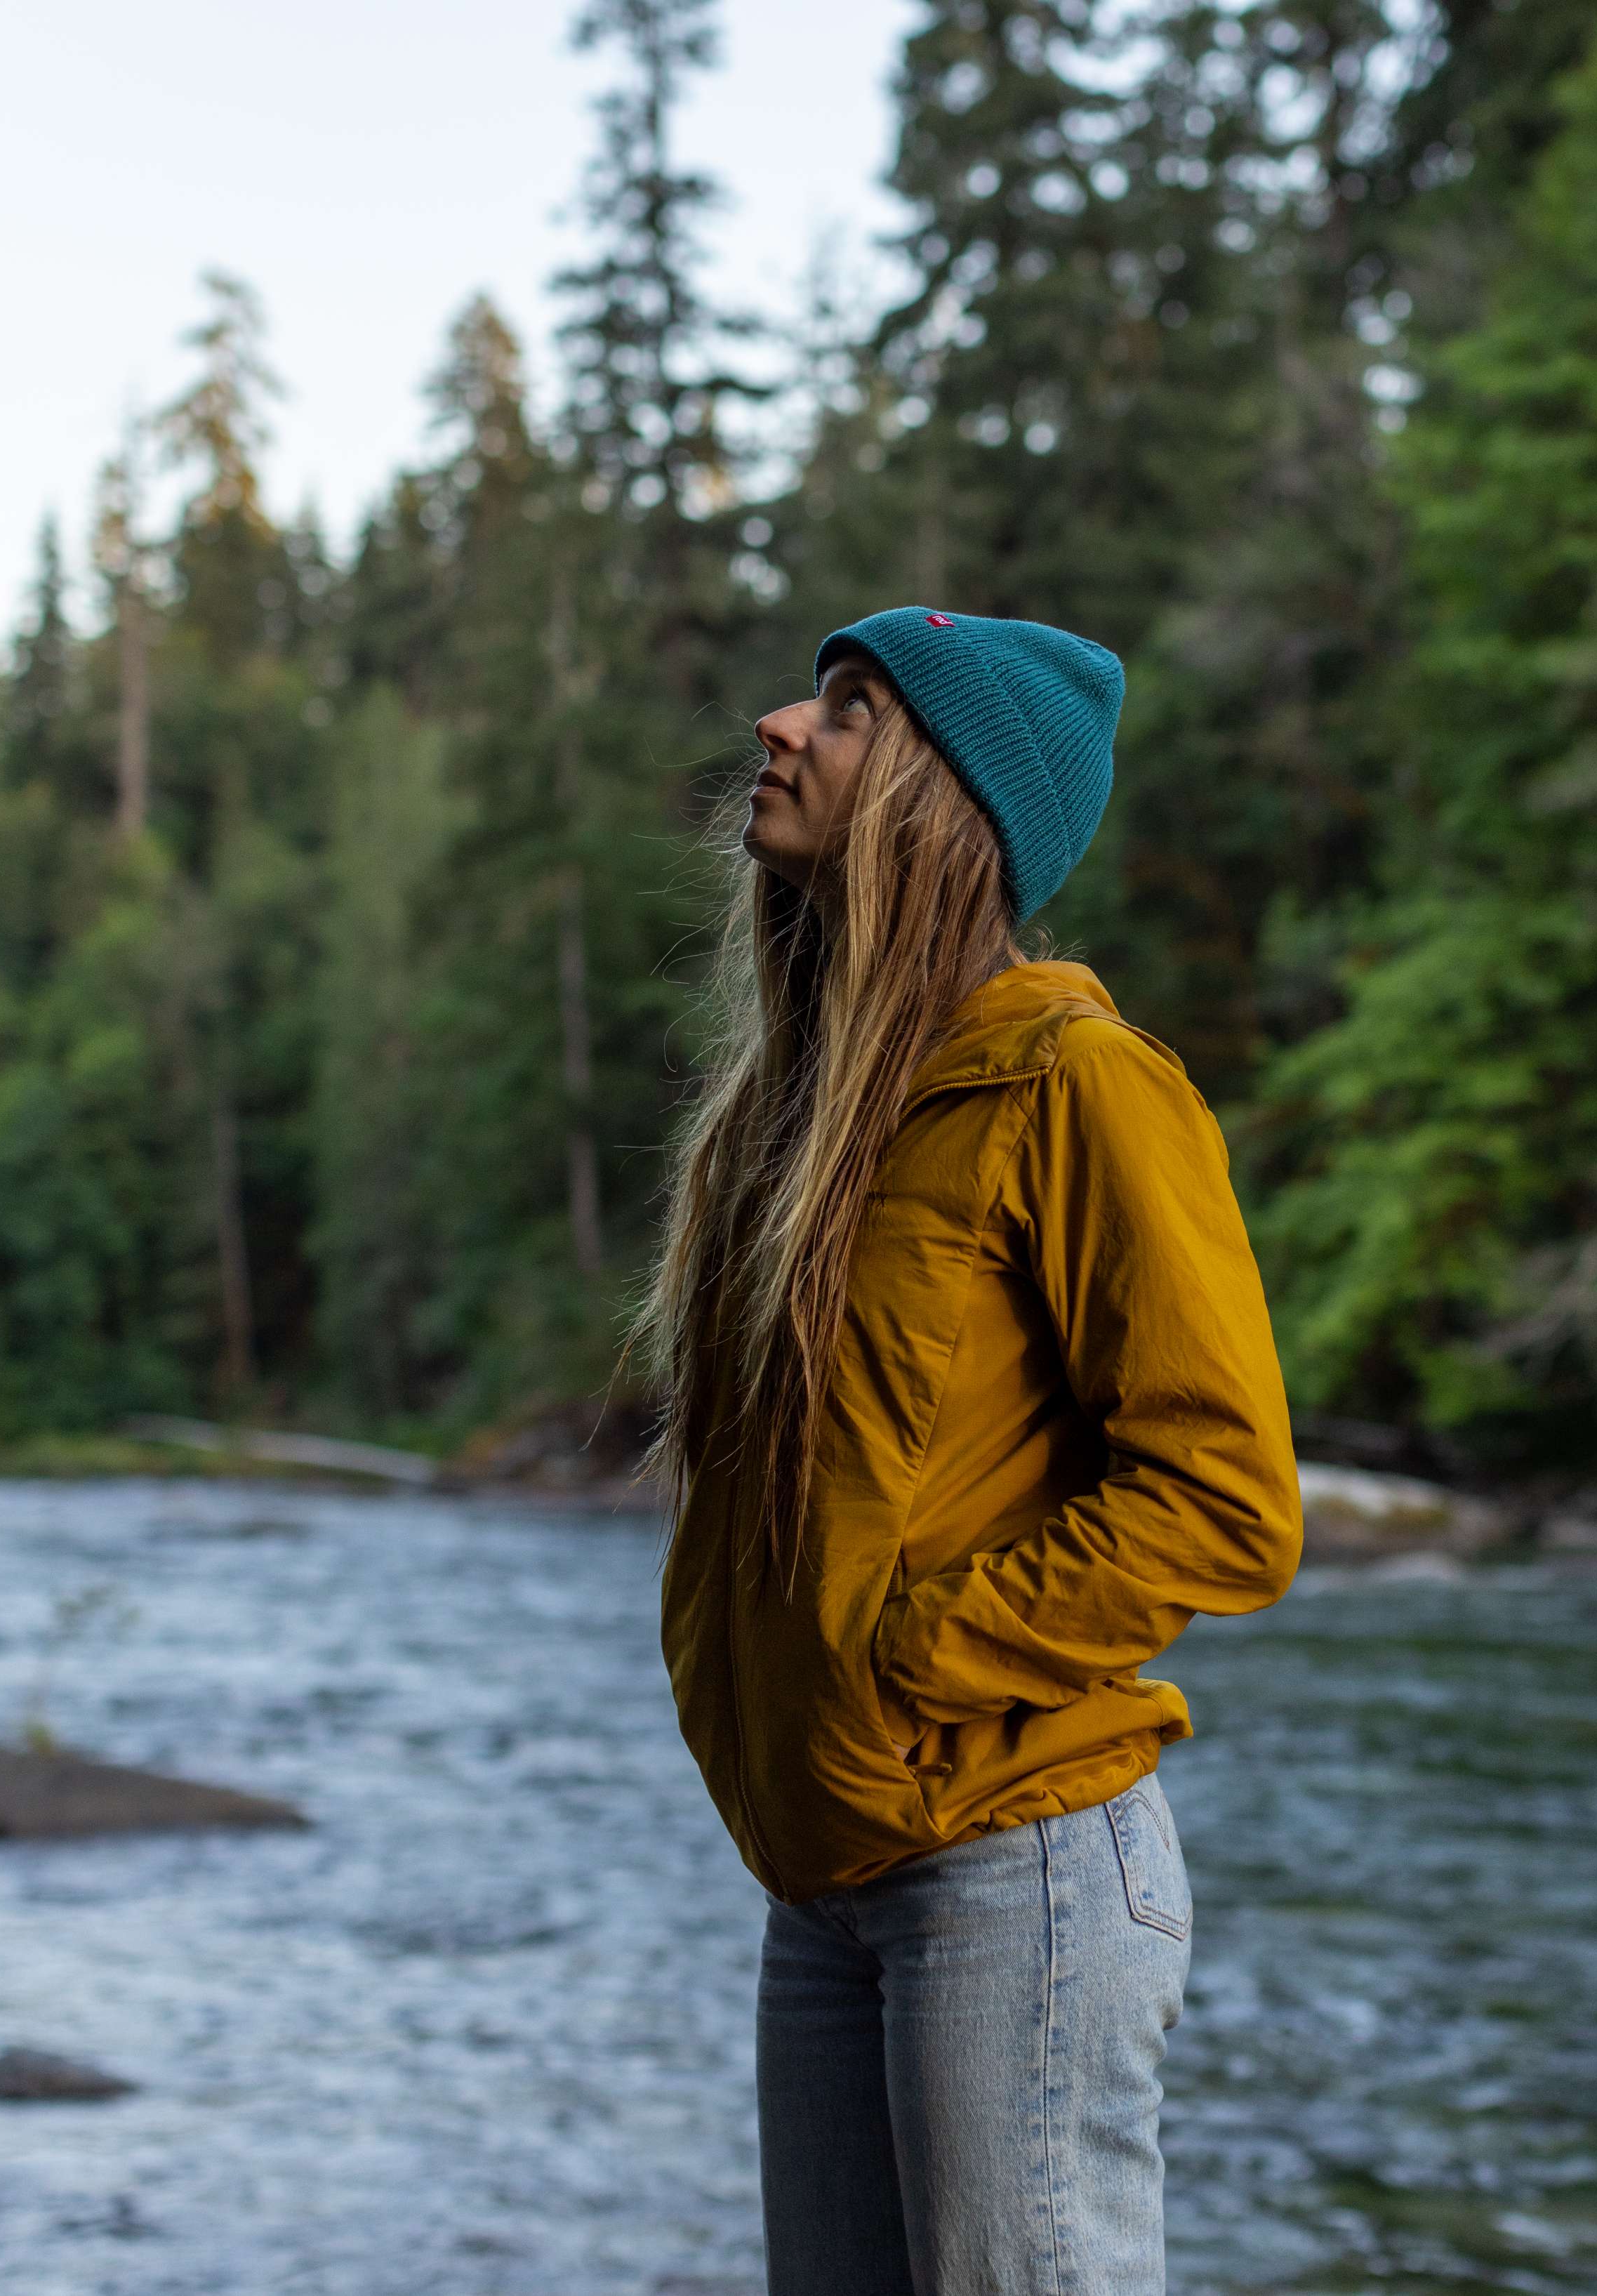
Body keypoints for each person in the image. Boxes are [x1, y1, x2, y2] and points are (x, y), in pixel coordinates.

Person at [637, 605, 1303, 2296]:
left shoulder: (1081, 1086)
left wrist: (912, 1654)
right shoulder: (798, 1118)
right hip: (829, 1877)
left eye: (852, 712)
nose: (782, 724)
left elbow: (1228, 1504)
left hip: (1017, 1870)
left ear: (946, 798)